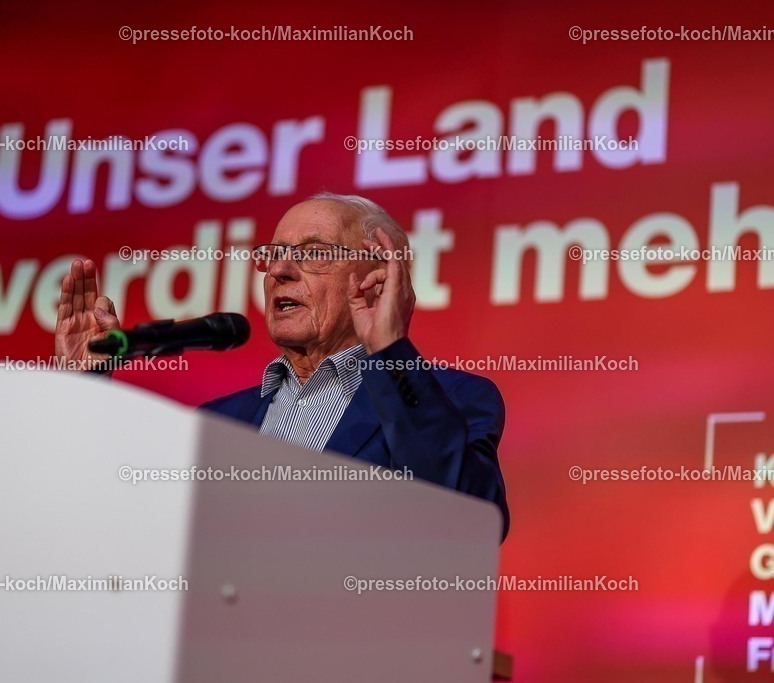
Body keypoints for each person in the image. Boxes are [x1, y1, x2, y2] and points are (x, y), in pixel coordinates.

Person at [55, 192, 509, 540]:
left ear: (377, 280)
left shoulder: (454, 399)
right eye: (274, 254)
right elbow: (112, 529)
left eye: (313, 253)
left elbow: (468, 524)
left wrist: (390, 347)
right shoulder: (217, 422)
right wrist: (81, 393)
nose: (279, 272)